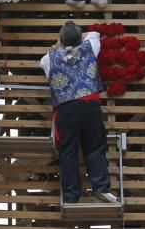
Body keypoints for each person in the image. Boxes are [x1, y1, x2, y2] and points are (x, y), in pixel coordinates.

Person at [39, 21, 116, 205]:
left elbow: (43, 63)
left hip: (66, 109)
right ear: (80, 38)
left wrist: (58, 45)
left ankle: (71, 197)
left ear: (61, 39)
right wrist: (78, 39)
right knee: (95, 147)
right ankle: (101, 188)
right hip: (89, 104)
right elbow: (95, 33)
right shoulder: (90, 47)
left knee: (68, 152)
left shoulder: (48, 59)